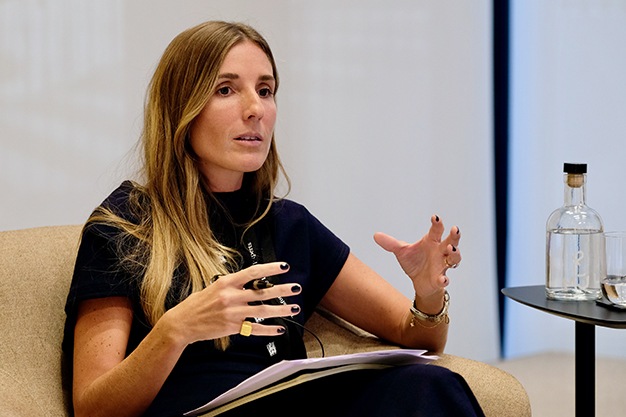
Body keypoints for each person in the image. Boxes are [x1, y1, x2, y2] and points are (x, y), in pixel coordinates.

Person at [63, 20, 485, 417]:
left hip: (288, 402)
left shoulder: (288, 223)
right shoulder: (126, 224)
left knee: (428, 385)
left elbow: (415, 336)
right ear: (182, 109)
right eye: (226, 90)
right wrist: (176, 329)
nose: (255, 109)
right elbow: (93, 407)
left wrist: (428, 293)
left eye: (265, 90)